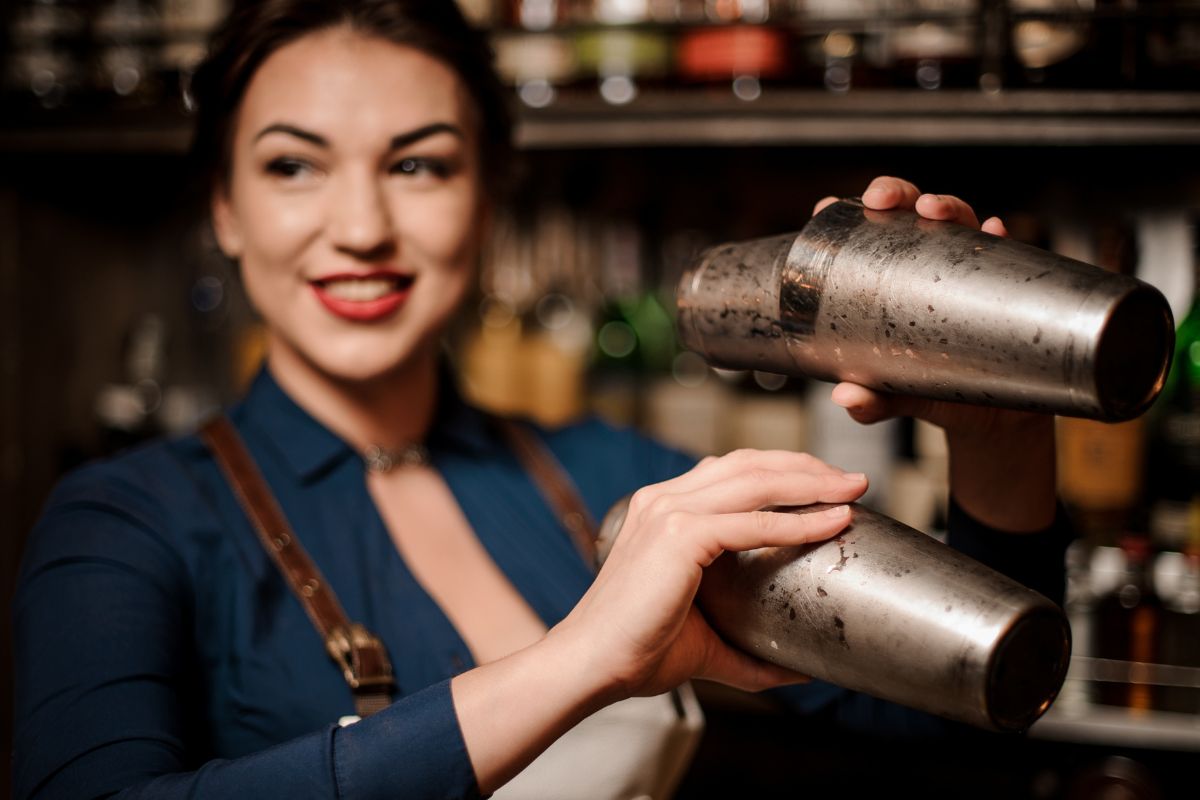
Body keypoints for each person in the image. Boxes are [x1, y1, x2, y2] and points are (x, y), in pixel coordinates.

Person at [11, 2, 1072, 798]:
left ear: (486, 199)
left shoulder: (619, 478)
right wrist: (579, 662)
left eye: (418, 166)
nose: (362, 226)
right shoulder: (126, 522)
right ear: (226, 211)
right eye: (295, 166)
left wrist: (1004, 430)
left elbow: (958, 723)